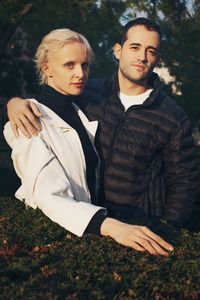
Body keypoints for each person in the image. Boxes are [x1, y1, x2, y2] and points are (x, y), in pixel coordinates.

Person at [3, 27, 173, 256]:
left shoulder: (80, 109)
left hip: (88, 237)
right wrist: (112, 226)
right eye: (69, 65)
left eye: (85, 65)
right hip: (51, 244)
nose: (80, 74)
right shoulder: (29, 120)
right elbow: (49, 196)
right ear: (47, 68)